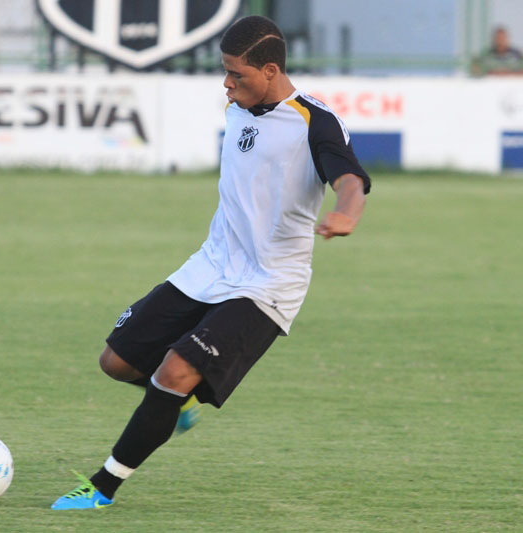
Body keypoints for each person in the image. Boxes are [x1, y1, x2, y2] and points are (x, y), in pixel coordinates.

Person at [51, 15, 371, 510]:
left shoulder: (316, 122)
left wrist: (346, 214)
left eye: (235, 74)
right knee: (116, 361)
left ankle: (101, 487)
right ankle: (172, 407)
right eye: (224, 72)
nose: (226, 83)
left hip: (266, 284)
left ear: (270, 70)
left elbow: (349, 179)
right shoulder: (240, 106)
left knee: (175, 373)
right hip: (212, 265)